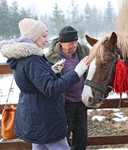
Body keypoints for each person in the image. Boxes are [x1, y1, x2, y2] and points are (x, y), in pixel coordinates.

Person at [0, 18, 89, 150]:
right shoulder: (32, 60)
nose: (47, 40)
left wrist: (51, 70)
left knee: (40, 147)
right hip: (45, 117)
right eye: (44, 36)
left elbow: (32, 81)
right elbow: (51, 88)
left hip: (34, 115)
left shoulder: (22, 58)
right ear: (33, 37)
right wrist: (76, 73)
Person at [45, 26, 89, 150]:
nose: (74, 45)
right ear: (61, 44)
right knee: (63, 137)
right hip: (64, 104)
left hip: (81, 102)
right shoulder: (51, 57)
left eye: (75, 42)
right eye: (70, 43)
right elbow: (47, 80)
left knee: (81, 137)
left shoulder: (83, 50)